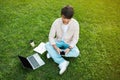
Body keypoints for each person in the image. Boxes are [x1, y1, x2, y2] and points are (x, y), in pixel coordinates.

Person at [45, 5, 80, 75]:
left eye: (68, 19)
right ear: (61, 15)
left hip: (68, 43)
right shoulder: (56, 22)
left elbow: (75, 38)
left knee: (76, 52)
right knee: (47, 45)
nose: (66, 20)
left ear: (71, 17)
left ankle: (53, 54)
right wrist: (56, 47)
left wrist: (69, 48)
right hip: (58, 41)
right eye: (64, 18)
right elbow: (51, 36)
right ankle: (62, 62)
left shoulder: (75, 24)